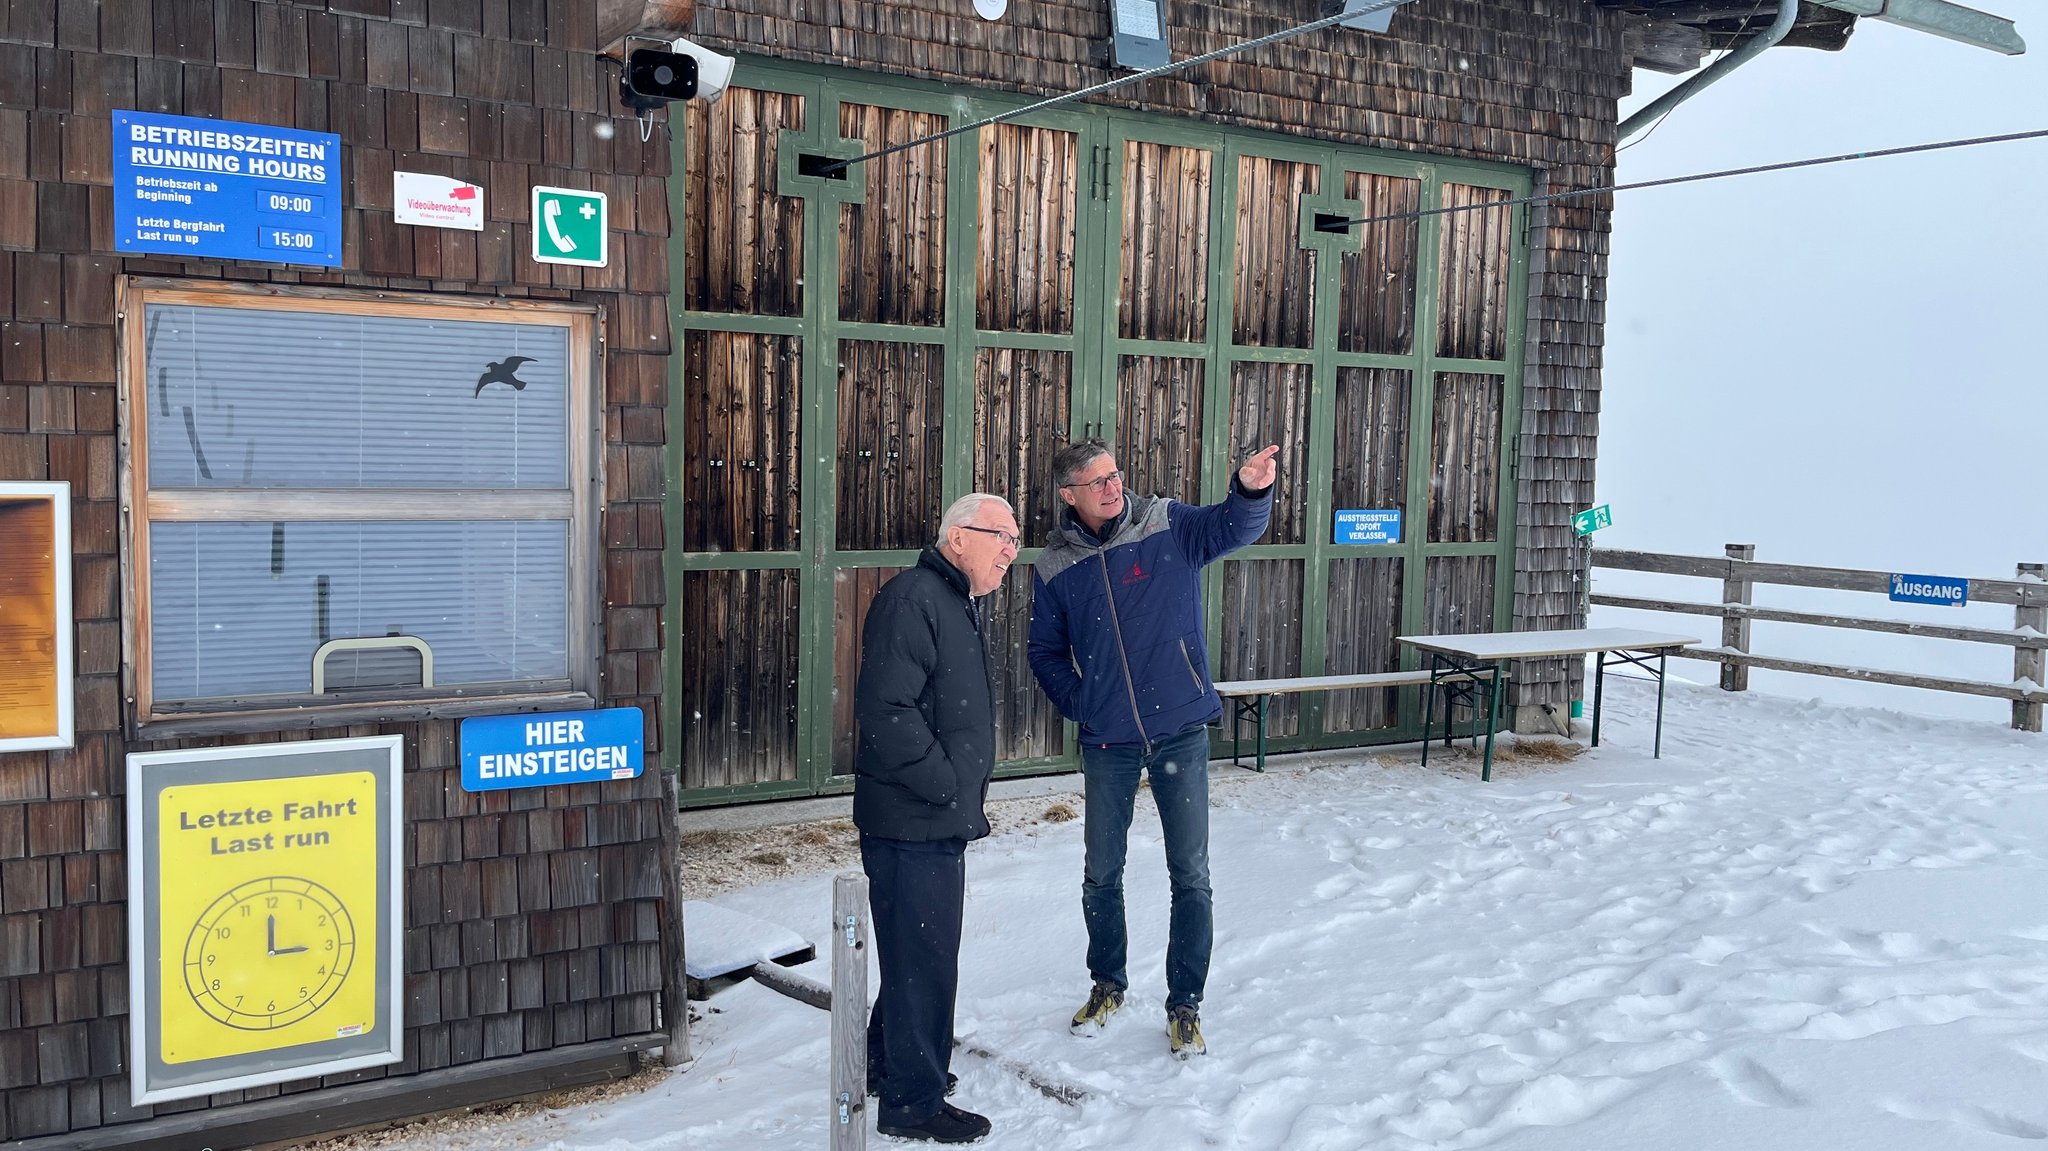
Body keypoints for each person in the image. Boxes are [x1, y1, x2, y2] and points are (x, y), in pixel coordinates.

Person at [1028, 438, 1278, 1060]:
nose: (1114, 488)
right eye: (1098, 483)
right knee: (1100, 872)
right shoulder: (1055, 566)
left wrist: (1250, 491)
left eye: (1116, 475)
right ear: (1069, 496)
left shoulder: (1165, 523)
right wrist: (1086, 703)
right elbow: (1044, 652)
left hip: (1180, 730)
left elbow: (1233, 527)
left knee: (1189, 873)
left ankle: (1184, 1003)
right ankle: (1107, 983)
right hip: (1108, 739)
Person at [854, 492, 1021, 1144]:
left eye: (1015, 539)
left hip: (926, 817)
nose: (1012, 549)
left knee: (910, 952)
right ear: (959, 537)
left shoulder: (953, 601)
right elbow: (886, 708)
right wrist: (942, 782)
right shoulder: (915, 599)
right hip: (912, 817)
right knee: (924, 959)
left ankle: (888, 1065)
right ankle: (912, 1102)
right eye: (1001, 536)